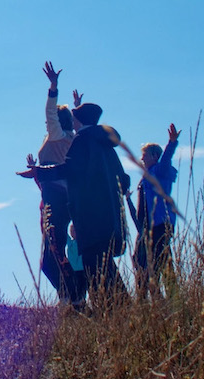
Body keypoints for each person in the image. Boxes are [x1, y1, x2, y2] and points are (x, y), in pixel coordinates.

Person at [24, 102, 131, 309]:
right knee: (105, 264)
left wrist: (39, 172)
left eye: (75, 117)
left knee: (95, 264)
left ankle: (109, 310)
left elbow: (70, 169)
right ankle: (120, 309)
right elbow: (123, 179)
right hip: (107, 214)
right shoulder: (104, 144)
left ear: (80, 120)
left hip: (89, 214)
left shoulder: (83, 140)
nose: (72, 121)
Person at [33, 62, 86, 308]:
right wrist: (77, 107)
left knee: (50, 256)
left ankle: (71, 296)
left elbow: (50, 115)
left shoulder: (57, 136)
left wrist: (53, 87)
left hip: (54, 199)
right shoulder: (72, 140)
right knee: (56, 250)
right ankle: (72, 296)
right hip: (64, 198)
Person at [133, 124, 181, 300]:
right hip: (149, 226)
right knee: (146, 259)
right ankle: (158, 296)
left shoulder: (160, 171)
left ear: (154, 156)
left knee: (159, 260)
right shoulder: (148, 176)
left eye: (144, 155)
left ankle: (162, 297)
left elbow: (166, 159)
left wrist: (172, 143)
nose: (142, 159)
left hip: (160, 223)